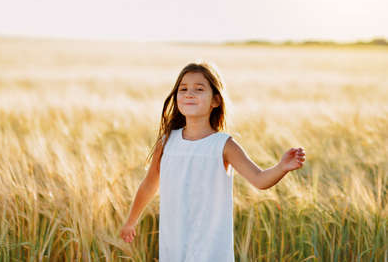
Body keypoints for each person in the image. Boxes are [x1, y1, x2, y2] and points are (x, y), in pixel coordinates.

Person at [119, 61, 306, 261]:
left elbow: (259, 179)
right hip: (174, 243)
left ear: (215, 100)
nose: (189, 94)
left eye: (199, 89)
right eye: (183, 89)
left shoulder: (223, 145)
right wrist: (131, 221)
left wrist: (282, 167)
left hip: (210, 249)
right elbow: (149, 184)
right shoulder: (166, 142)